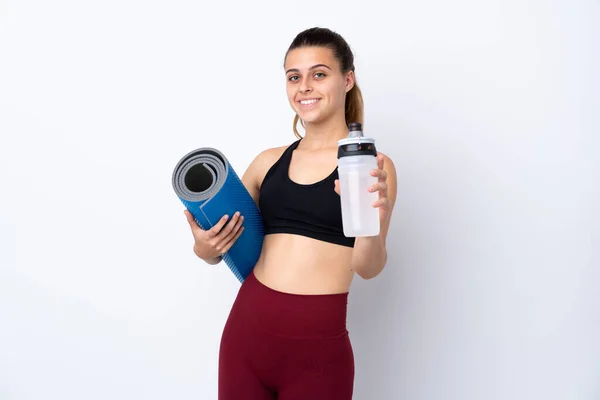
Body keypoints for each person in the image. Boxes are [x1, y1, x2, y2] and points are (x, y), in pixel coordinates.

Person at [184, 27, 397, 400]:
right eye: (294, 77)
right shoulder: (268, 162)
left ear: (347, 80)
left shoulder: (371, 166)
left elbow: (368, 267)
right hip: (245, 339)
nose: (305, 87)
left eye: (319, 74)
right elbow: (212, 247)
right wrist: (205, 248)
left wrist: (371, 223)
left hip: (317, 354)